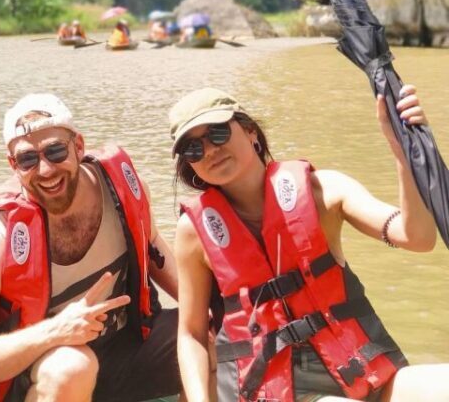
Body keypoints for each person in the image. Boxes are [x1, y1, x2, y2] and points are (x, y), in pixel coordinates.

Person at [169, 86, 449, 402]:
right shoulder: (192, 231)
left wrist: (402, 150)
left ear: (250, 131)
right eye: (193, 149)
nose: (208, 150)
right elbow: (191, 334)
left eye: (217, 134)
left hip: (361, 372)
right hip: (276, 391)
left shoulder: (322, 191)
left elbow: (418, 238)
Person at [0, 94, 181, 402]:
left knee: (207, 330)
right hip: (43, 374)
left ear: (79, 146)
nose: (45, 170)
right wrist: (57, 330)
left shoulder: (120, 188)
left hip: (124, 350)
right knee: (73, 367)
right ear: (13, 165)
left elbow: (152, 245)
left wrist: (212, 305)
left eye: (56, 151)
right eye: (28, 159)